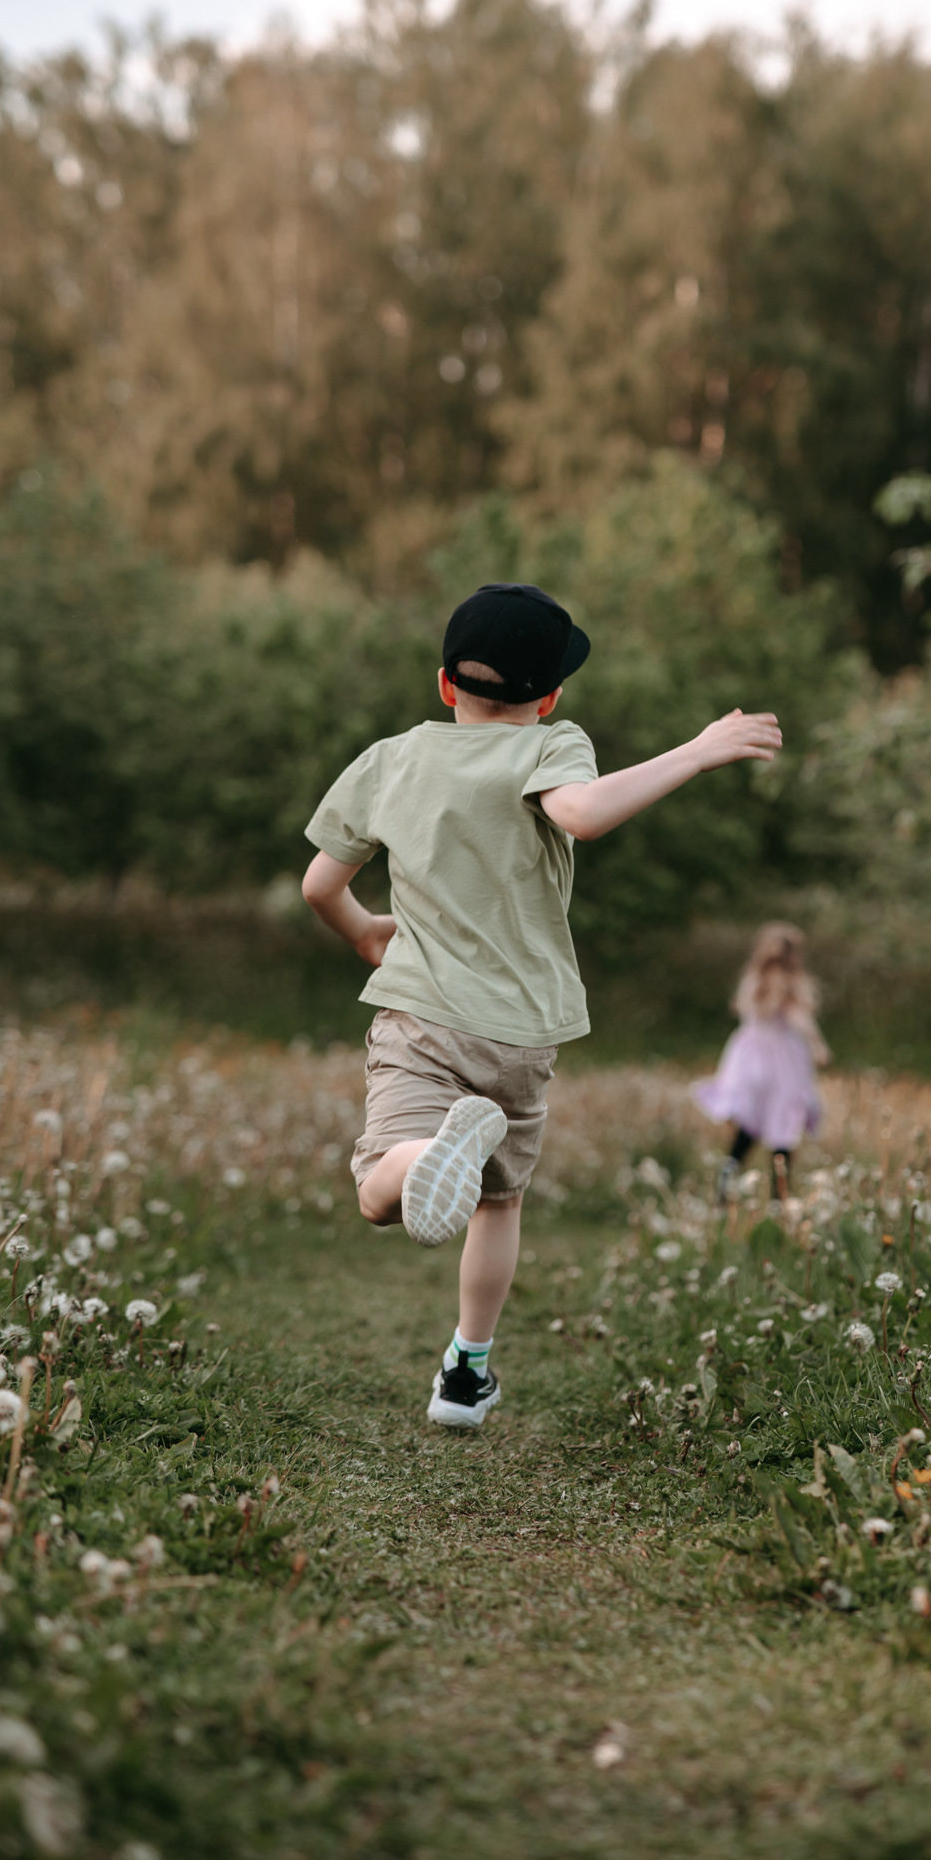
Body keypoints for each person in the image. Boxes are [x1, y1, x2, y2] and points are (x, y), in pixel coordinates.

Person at [302, 582, 781, 1428]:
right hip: (520, 1031)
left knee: (379, 1186)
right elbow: (584, 816)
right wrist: (696, 750)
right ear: (550, 695)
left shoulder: (391, 758)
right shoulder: (553, 746)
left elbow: (318, 885)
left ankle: (420, 1163)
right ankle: (466, 1371)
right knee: (498, 1200)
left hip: (420, 1016)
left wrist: (367, 932)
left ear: (445, 685)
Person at [693, 922, 828, 1204]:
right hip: (757, 1057)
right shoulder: (756, 981)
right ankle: (738, 1190)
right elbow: (751, 1009)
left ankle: (772, 1196)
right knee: (755, 1124)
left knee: (778, 1126)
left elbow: (798, 1017)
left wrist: (815, 1041)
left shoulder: (788, 984)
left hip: (779, 1060)